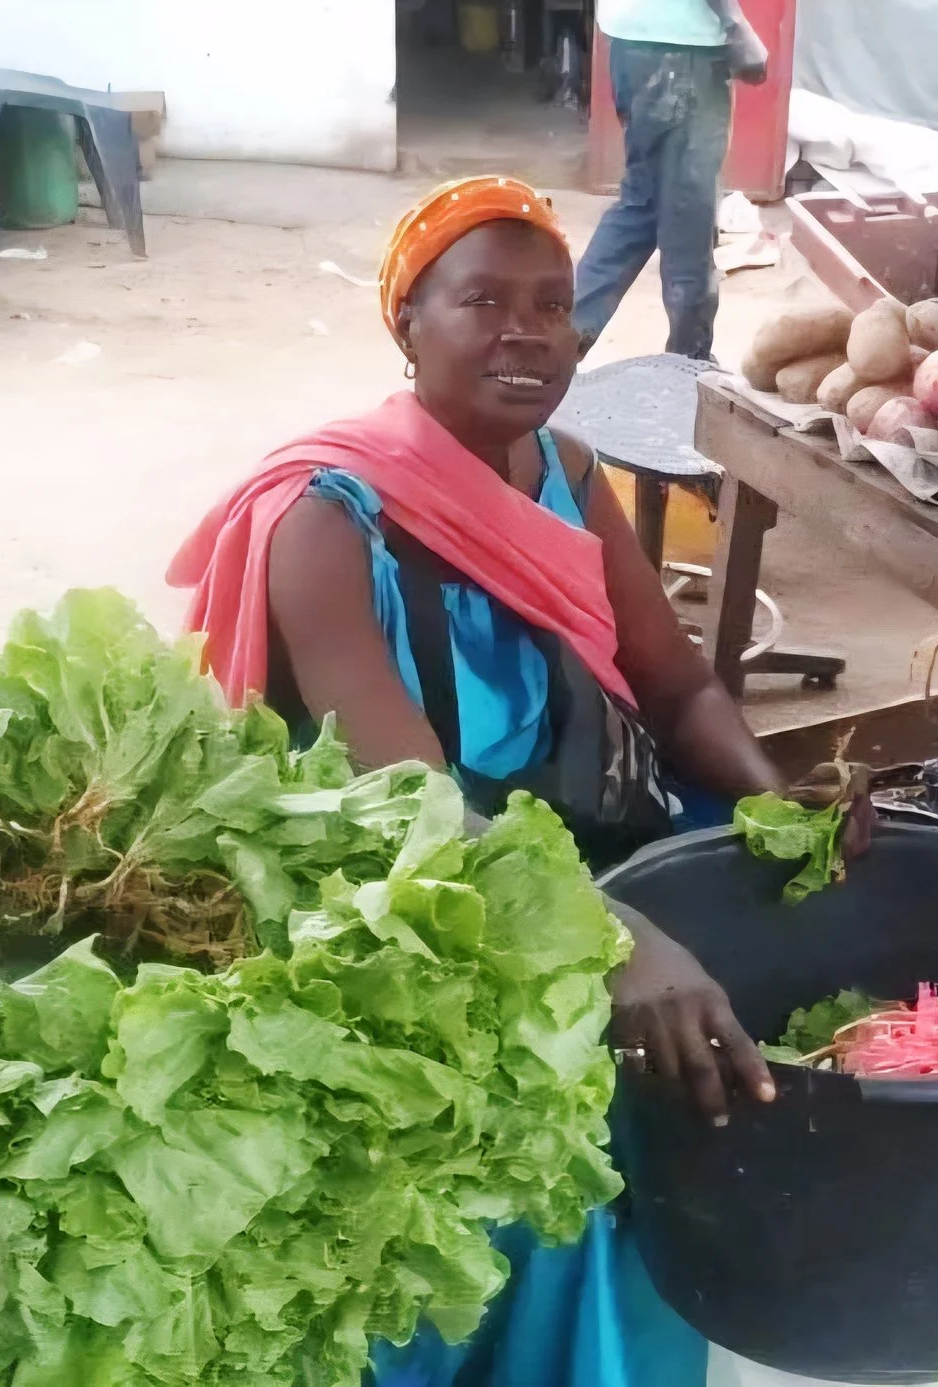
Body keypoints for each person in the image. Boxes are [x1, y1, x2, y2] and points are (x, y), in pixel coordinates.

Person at [170, 174, 800, 1387]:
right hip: (404, 886)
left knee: (783, 922)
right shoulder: (327, 517)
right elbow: (410, 807)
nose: (529, 332)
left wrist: (772, 802)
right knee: (567, 1110)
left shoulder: (565, 470)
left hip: (571, 834)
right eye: (484, 302)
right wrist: (616, 944)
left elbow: (677, 691)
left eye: (554, 306)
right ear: (409, 323)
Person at [572, 0, 769, 359]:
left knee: (643, 202)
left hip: (634, 41)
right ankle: (689, 363)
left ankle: (559, 339)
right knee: (688, 215)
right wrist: (735, 22)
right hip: (682, 48)